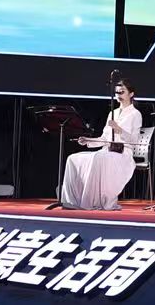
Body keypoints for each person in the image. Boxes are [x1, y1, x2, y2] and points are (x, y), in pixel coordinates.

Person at [61, 77, 142, 210]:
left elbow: (134, 141)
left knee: (97, 157)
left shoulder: (135, 114)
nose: (118, 95)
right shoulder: (112, 113)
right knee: (73, 158)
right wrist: (88, 141)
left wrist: (119, 130)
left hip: (123, 153)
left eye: (122, 92)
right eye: (117, 92)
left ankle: (88, 202)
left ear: (131, 94)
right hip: (107, 151)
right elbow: (104, 138)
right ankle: (71, 201)